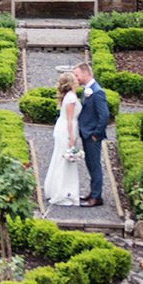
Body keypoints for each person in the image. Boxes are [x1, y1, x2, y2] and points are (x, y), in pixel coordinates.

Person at [43, 70, 83, 206]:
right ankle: (61, 192)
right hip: (66, 130)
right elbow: (70, 120)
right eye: (75, 79)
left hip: (62, 128)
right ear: (71, 83)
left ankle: (58, 189)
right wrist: (71, 138)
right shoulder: (71, 98)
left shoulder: (69, 96)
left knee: (59, 158)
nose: (78, 80)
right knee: (64, 160)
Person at [73, 61, 110, 206]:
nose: (76, 78)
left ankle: (97, 197)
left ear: (85, 73)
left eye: (77, 75)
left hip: (92, 135)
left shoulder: (97, 91)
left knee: (94, 165)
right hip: (86, 133)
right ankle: (92, 193)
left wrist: (96, 133)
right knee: (90, 164)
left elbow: (104, 115)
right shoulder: (87, 90)